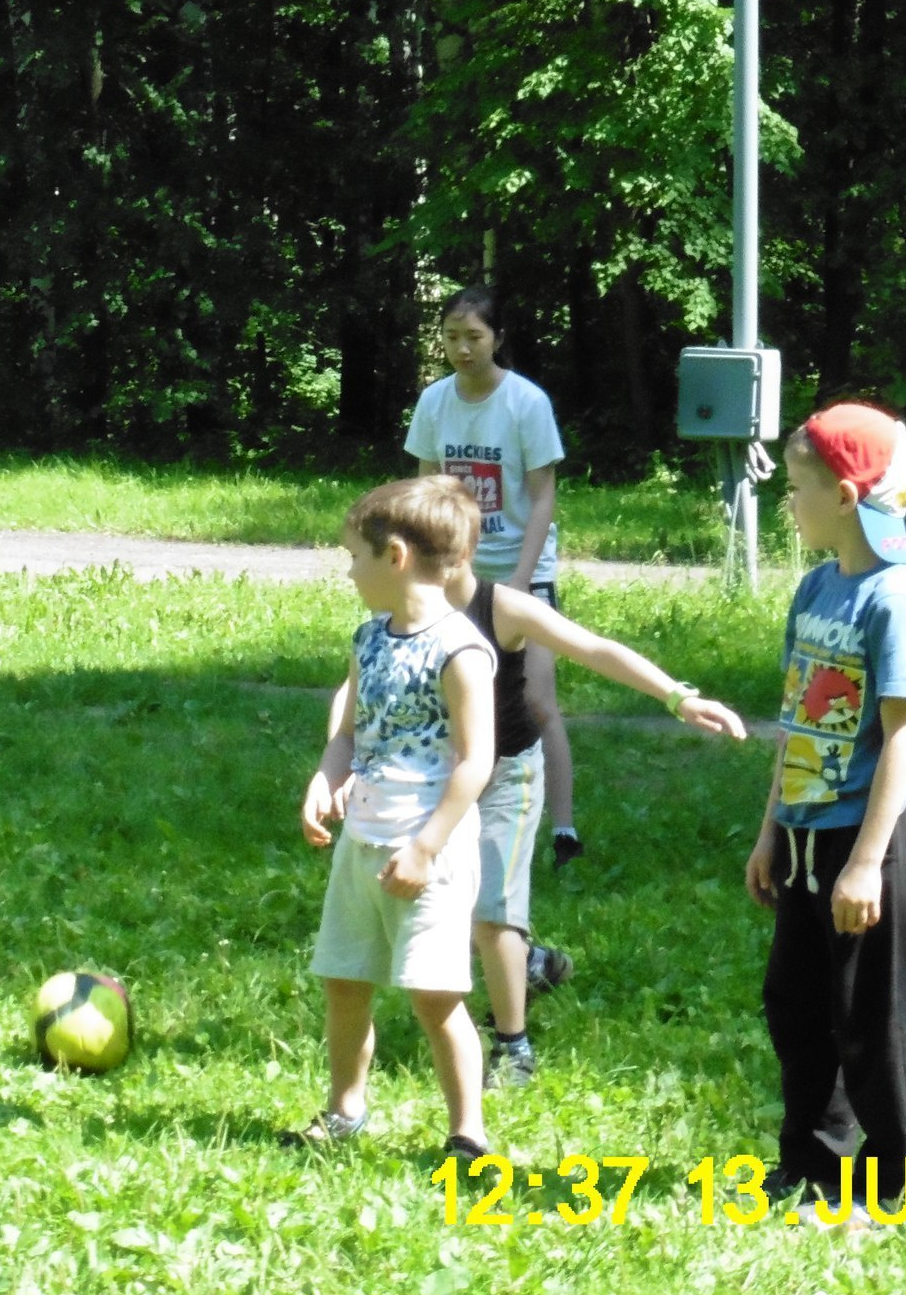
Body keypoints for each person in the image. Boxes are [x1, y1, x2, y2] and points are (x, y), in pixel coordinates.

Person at [444, 546, 750, 1088]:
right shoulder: (403, 612)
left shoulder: (502, 606)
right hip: (440, 779)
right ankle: (528, 963)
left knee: (493, 911)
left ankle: (513, 1049)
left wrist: (678, 698)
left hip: (507, 776)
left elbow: (593, 647)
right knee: (442, 912)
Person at [743, 404, 906, 1219]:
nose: (789, 504)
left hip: (867, 841)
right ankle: (814, 1163)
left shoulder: (893, 602)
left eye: (799, 488)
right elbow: (796, 718)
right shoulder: (819, 587)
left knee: (872, 1020)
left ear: (848, 496)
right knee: (795, 1004)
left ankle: (892, 1184)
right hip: (801, 834)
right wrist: (770, 830)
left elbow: (903, 739)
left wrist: (866, 860)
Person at [288, 477, 498, 1162]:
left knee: (435, 998)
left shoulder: (459, 651)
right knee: (345, 980)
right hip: (363, 843)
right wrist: (327, 777)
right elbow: (348, 731)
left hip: (426, 852)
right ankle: (345, 1111)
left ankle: (469, 1133)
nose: (349, 571)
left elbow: (475, 762)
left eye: (355, 557)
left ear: (396, 556)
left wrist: (425, 848)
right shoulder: (370, 638)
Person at [403, 285, 582, 879]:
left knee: (535, 699)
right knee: (453, 697)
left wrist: (525, 581)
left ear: (497, 340)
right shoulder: (434, 401)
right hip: (457, 571)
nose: (461, 348)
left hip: (520, 569)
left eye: (473, 337)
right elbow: (426, 488)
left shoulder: (526, 403)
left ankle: (562, 829)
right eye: (451, 336)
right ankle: (452, 816)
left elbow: (543, 492)